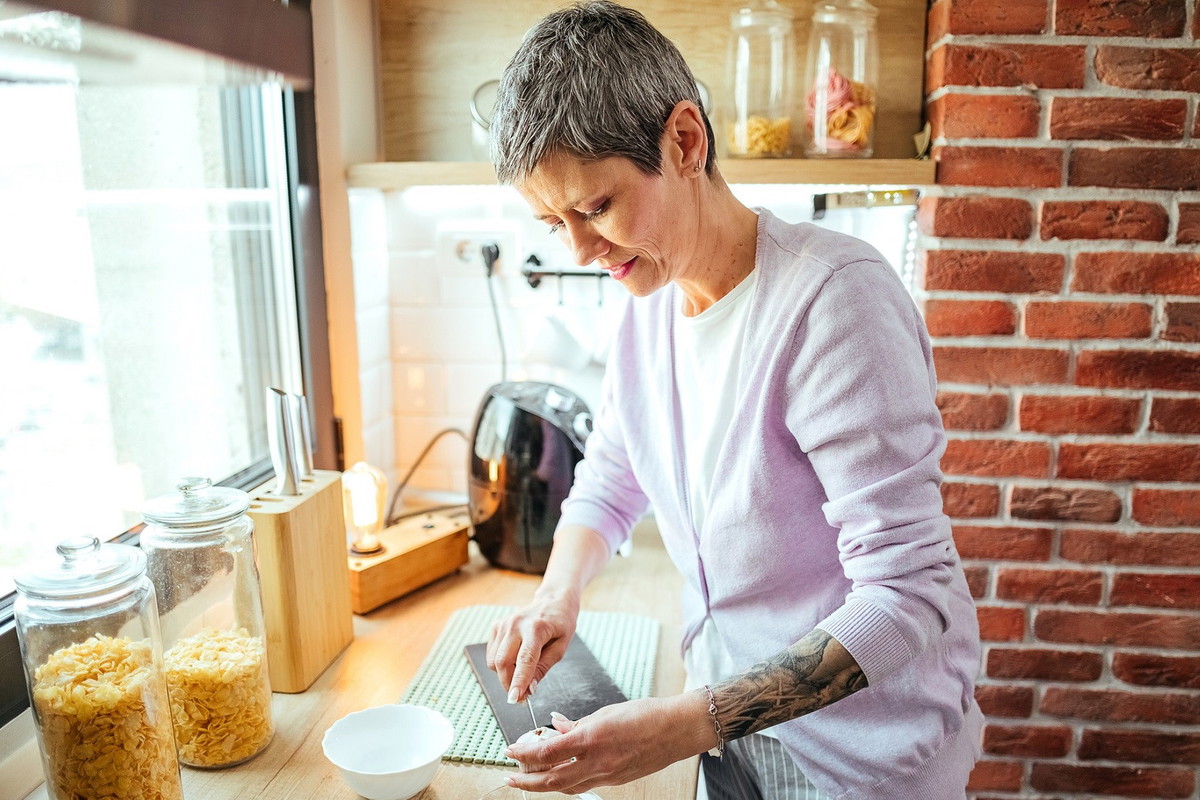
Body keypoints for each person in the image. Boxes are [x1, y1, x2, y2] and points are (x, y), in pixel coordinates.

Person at [483, 3, 983, 798]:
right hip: (734, 728)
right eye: (552, 221)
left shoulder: (834, 304)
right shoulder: (648, 300)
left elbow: (905, 596)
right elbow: (615, 471)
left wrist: (686, 723)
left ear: (684, 141)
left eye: (596, 208)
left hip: (860, 758)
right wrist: (556, 596)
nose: (579, 248)